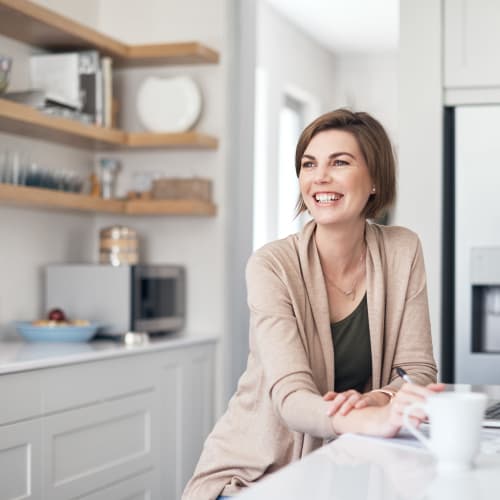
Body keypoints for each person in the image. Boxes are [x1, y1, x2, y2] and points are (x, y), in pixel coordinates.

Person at [182, 109, 441, 500]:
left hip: (343, 466)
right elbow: (291, 401)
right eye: (309, 164)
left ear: (374, 179)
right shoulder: (271, 266)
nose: (319, 177)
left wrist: (377, 398)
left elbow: (418, 368)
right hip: (256, 475)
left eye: (340, 162)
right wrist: (374, 418)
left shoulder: (403, 250)